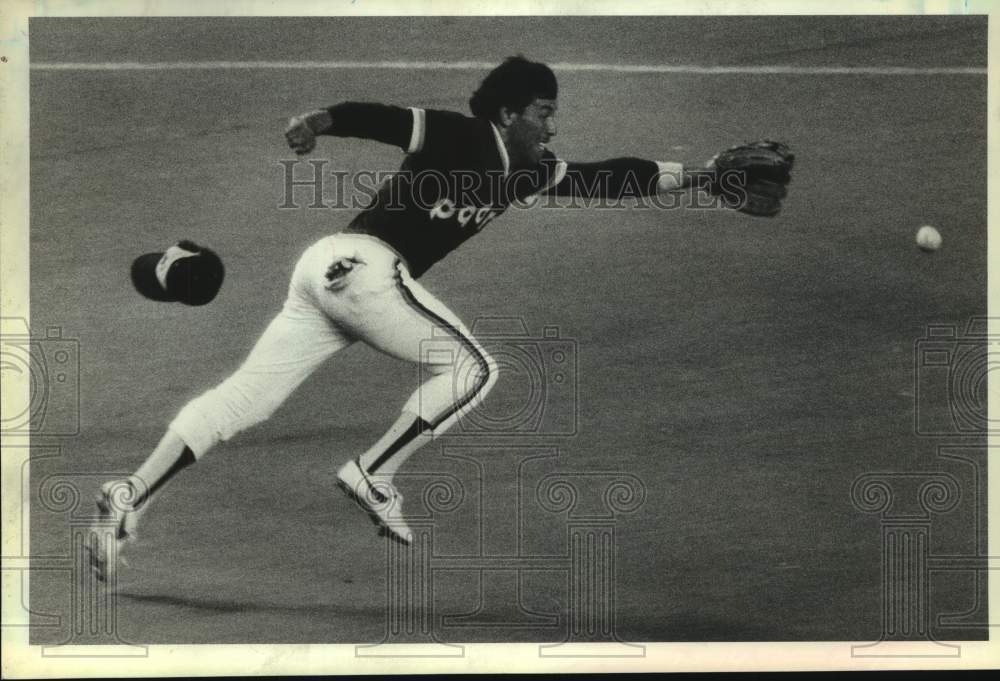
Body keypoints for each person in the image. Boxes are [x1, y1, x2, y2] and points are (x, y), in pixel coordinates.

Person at [88, 56, 792, 581]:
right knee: (473, 368)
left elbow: (610, 176)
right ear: (510, 113)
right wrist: (319, 121)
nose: (554, 123)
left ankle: (128, 493)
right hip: (363, 266)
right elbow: (386, 119)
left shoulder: (524, 169)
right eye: (545, 111)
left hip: (326, 277)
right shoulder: (462, 135)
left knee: (245, 398)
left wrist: (702, 174)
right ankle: (372, 473)